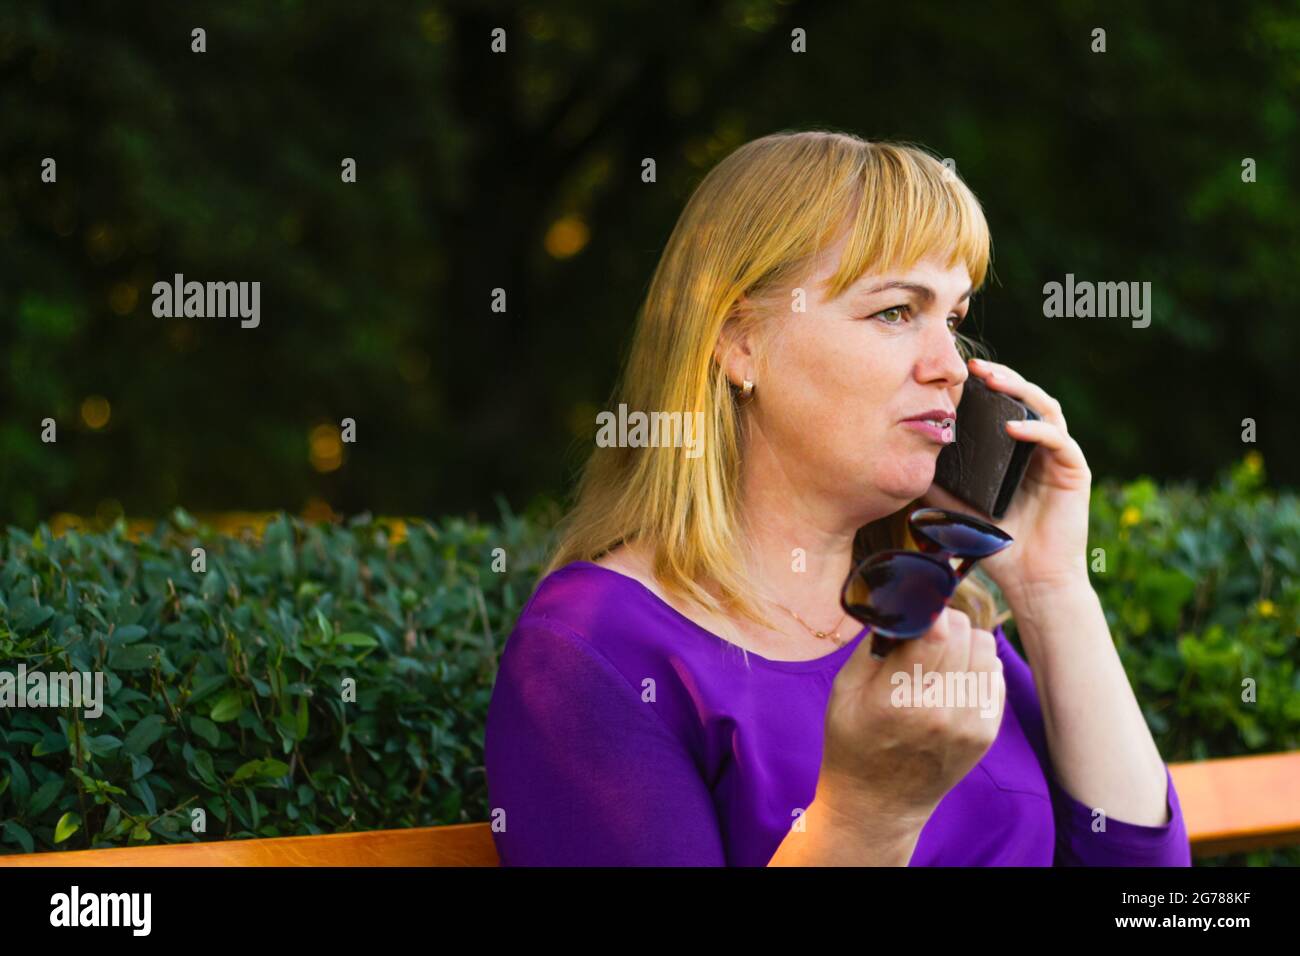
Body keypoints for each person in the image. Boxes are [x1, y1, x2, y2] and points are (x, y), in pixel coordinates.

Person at [484, 130, 1191, 866]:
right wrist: (867, 814)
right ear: (738, 341)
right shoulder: (593, 651)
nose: (952, 366)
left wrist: (1051, 589)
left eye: (953, 320)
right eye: (896, 312)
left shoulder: (936, 613)